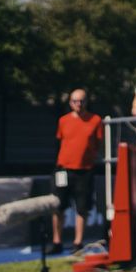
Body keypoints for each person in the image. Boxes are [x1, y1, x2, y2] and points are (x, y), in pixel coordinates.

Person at [52, 88, 102, 253]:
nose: (78, 104)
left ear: (86, 102)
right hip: (64, 169)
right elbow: (61, 141)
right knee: (58, 206)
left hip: (84, 170)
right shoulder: (63, 120)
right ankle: (57, 242)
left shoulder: (95, 120)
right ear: (70, 103)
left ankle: (77, 242)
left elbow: (98, 144)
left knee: (82, 207)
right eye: (75, 101)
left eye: (81, 101)